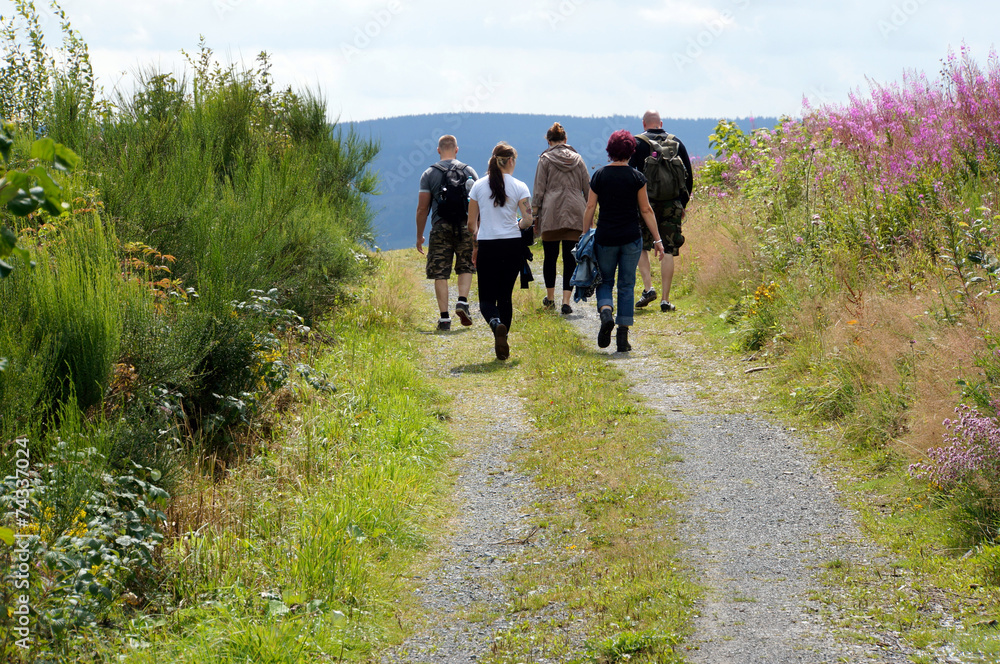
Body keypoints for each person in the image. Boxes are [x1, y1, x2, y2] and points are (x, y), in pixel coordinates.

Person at [583, 129, 665, 353]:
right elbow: (646, 210)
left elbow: (590, 206)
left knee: (604, 281)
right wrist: (657, 239)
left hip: (605, 237)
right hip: (631, 238)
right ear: (631, 151)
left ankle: (606, 313)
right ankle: (622, 338)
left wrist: (584, 235)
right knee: (627, 285)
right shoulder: (637, 177)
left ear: (610, 150)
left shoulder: (599, 175)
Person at [467, 142, 533, 360]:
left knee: (486, 300)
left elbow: (471, 224)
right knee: (505, 296)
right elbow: (528, 220)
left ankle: (496, 324)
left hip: (487, 245)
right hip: (512, 245)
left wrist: (475, 247)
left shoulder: (478, 186)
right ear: (511, 161)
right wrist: (518, 225)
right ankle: (503, 337)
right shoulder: (520, 186)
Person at [629, 110, 694, 312]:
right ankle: (665, 300)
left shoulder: (637, 143)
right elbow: (689, 177)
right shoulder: (676, 142)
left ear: (644, 123)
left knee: (641, 244)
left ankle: (648, 288)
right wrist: (682, 204)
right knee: (668, 249)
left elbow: (630, 174)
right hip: (672, 203)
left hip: (645, 204)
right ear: (661, 123)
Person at [416, 135, 479, 331]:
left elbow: (422, 208)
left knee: (440, 272)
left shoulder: (429, 173)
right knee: (466, 264)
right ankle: (462, 301)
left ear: (438, 150)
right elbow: (478, 203)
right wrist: (477, 230)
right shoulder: (469, 171)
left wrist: (419, 235)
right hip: (465, 225)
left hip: (440, 225)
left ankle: (444, 318)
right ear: (457, 149)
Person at [532, 121, 590, 315]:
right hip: (575, 212)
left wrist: (535, 214)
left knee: (550, 257)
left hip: (552, 212)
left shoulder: (545, 159)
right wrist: (590, 214)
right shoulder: (578, 159)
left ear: (549, 141)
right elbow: (588, 188)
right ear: (565, 140)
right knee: (570, 258)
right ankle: (566, 301)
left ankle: (550, 299)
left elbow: (539, 189)